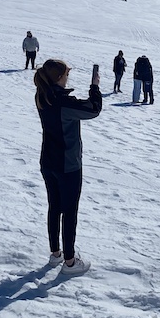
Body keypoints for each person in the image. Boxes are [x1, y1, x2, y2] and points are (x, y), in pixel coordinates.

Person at [34, 59, 103, 275]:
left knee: (54, 207)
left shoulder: (42, 95)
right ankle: (70, 262)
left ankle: (56, 254)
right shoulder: (63, 102)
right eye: (66, 75)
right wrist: (95, 87)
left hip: (48, 161)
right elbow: (93, 109)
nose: (68, 78)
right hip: (68, 164)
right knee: (69, 211)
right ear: (59, 78)